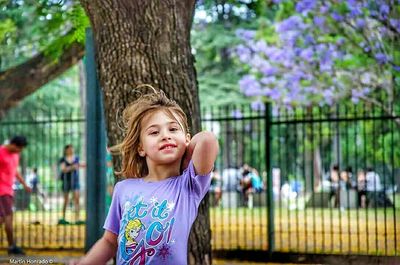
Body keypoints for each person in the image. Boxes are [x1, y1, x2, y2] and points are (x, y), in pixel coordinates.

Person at [72, 88, 218, 265]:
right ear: (141, 148)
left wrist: (186, 155)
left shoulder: (188, 186)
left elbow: (207, 140)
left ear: (186, 140)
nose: (165, 136)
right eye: (154, 132)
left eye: (173, 129)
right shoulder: (124, 188)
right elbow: (109, 242)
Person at [0, 136, 32, 255]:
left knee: (3, 219)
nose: (20, 151)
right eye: (20, 148)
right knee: (8, 217)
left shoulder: (15, 155)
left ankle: (11, 246)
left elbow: (15, 171)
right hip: (2, 191)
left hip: (8, 190)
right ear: (13, 144)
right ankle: (12, 246)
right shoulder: (1, 152)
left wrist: (24, 184)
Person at [58, 144, 84, 225]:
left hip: (75, 181)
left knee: (77, 199)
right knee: (66, 200)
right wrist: (73, 167)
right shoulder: (63, 159)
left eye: (72, 149)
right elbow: (63, 169)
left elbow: (79, 165)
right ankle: (63, 218)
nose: (71, 150)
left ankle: (78, 218)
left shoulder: (76, 158)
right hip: (66, 181)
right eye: (69, 149)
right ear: (66, 150)